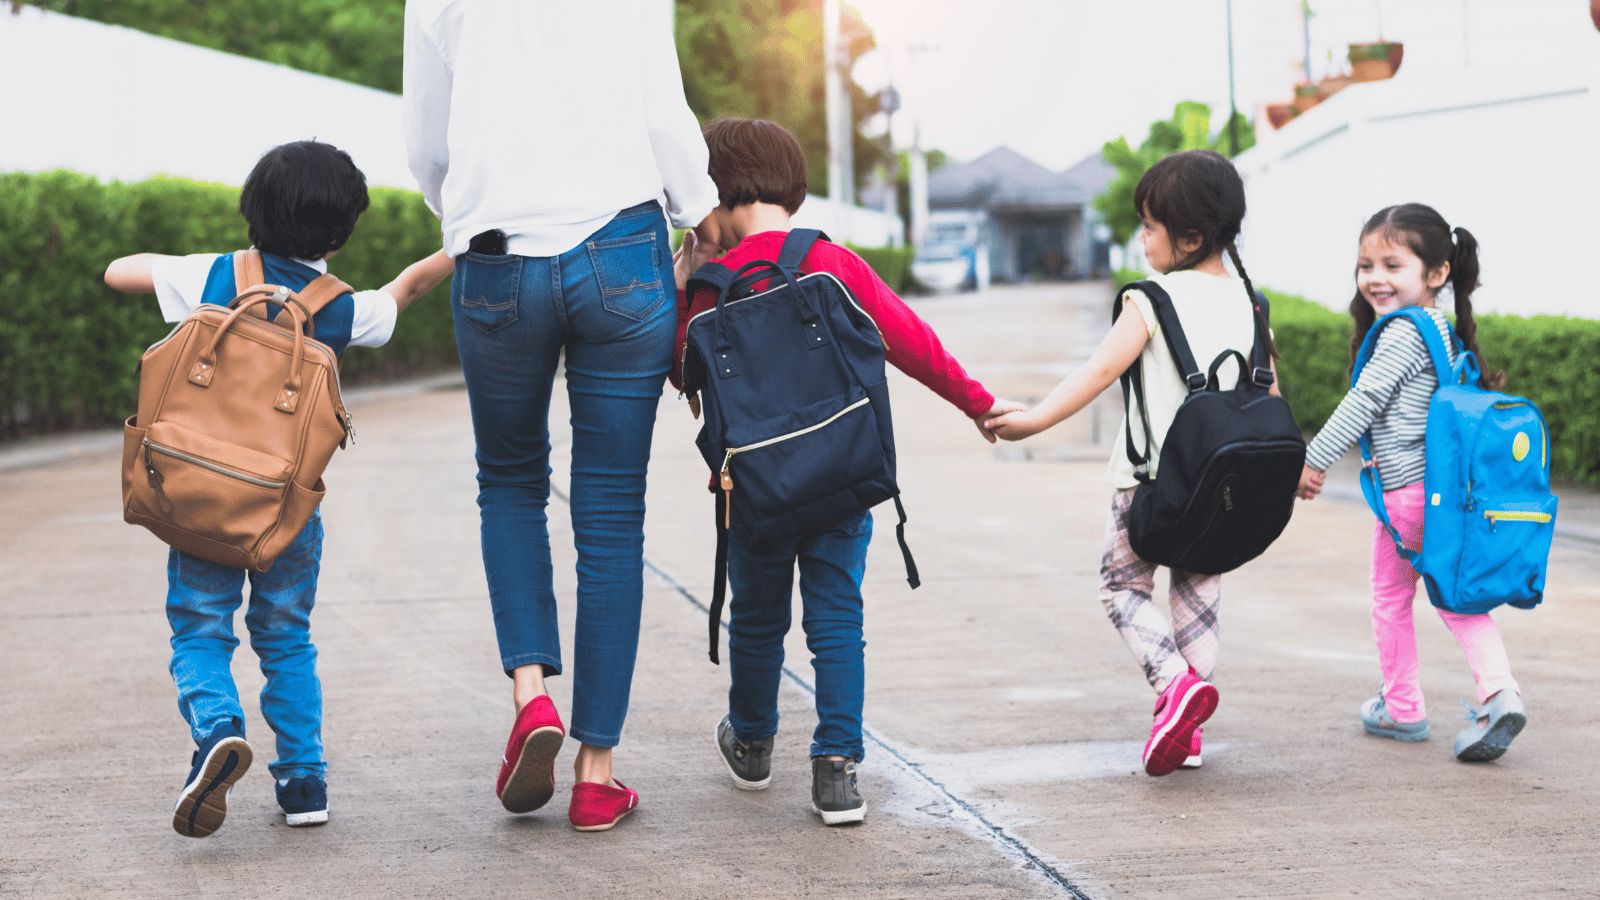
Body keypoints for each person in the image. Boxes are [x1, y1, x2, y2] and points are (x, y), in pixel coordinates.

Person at [402, 0, 724, 831]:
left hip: (497, 255)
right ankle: (595, 771)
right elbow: (662, 108)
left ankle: (531, 698)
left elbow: (427, 143)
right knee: (611, 512)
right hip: (619, 248)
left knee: (510, 484)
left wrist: (469, 209)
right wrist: (699, 205)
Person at [669, 117, 1019, 825]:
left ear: (718, 187)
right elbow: (910, 341)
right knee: (836, 615)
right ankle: (837, 769)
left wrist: (682, 281)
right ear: (791, 185)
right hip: (841, 474)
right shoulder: (833, 263)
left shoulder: (711, 284)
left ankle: (754, 745)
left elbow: (682, 373)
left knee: (758, 618)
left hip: (754, 493)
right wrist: (976, 403)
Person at [103, 139, 436, 836]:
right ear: (342, 232)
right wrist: (458, 246)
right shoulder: (341, 309)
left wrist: (180, 272)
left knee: (200, 628)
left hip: (200, 499)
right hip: (283, 512)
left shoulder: (214, 275)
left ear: (252, 207)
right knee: (286, 638)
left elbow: (117, 273)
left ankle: (217, 730)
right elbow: (404, 292)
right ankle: (304, 782)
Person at [987, 149, 1276, 776]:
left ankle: (1175, 687)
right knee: (1197, 598)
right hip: (1225, 487)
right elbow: (1269, 396)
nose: (1142, 238)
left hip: (1150, 486)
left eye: (1150, 226)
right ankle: (1190, 731)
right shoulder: (1253, 305)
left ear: (1190, 235)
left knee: (1123, 588)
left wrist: (1034, 420)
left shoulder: (1150, 300)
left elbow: (1098, 372)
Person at [1296, 203, 1526, 761]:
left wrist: (1313, 458)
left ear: (1436, 273)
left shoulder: (1401, 334)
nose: (1374, 278)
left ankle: (1402, 707)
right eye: (1365, 265)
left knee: (1391, 600)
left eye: (1391, 265)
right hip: (1444, 496)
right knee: (1460, 601)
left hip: (1407, 498)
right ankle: (1499, 692)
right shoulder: (1441, 330)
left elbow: (1365, 399)